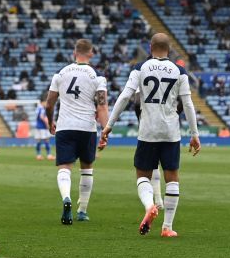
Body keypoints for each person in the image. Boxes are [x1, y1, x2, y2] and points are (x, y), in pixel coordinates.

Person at [101, 34, 201, 237]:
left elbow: (125, 96)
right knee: (172, 177)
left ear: (150, 47)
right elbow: (188, 104)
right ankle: (167, 227)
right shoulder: (179, 71)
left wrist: (109, 125)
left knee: (142, 175)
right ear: (170, 48)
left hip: (147, 131)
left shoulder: (140, 68)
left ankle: (149, 205)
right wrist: (194, 134)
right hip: (171, 131)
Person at [45, 39, 108, 224]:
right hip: (87, 128)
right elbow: (102, 107)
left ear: (74, 53)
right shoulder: (97, 76)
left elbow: (49, 104)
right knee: (87, 168)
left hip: (65, 126)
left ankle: (67, 198)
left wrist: (51, 122)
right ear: (91, 53)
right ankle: (82, 210)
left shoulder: (61, 74)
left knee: (64, 168)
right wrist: (105, 131)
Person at [34, 92, 54, 161]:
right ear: (43, 101)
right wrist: (48, 124)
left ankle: (38, 155)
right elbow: (42, 117)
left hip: (38, 126)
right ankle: (49, 155)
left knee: (38, 141)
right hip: (42, 127)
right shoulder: (42, 108)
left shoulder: (38, 107)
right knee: (46, 140)